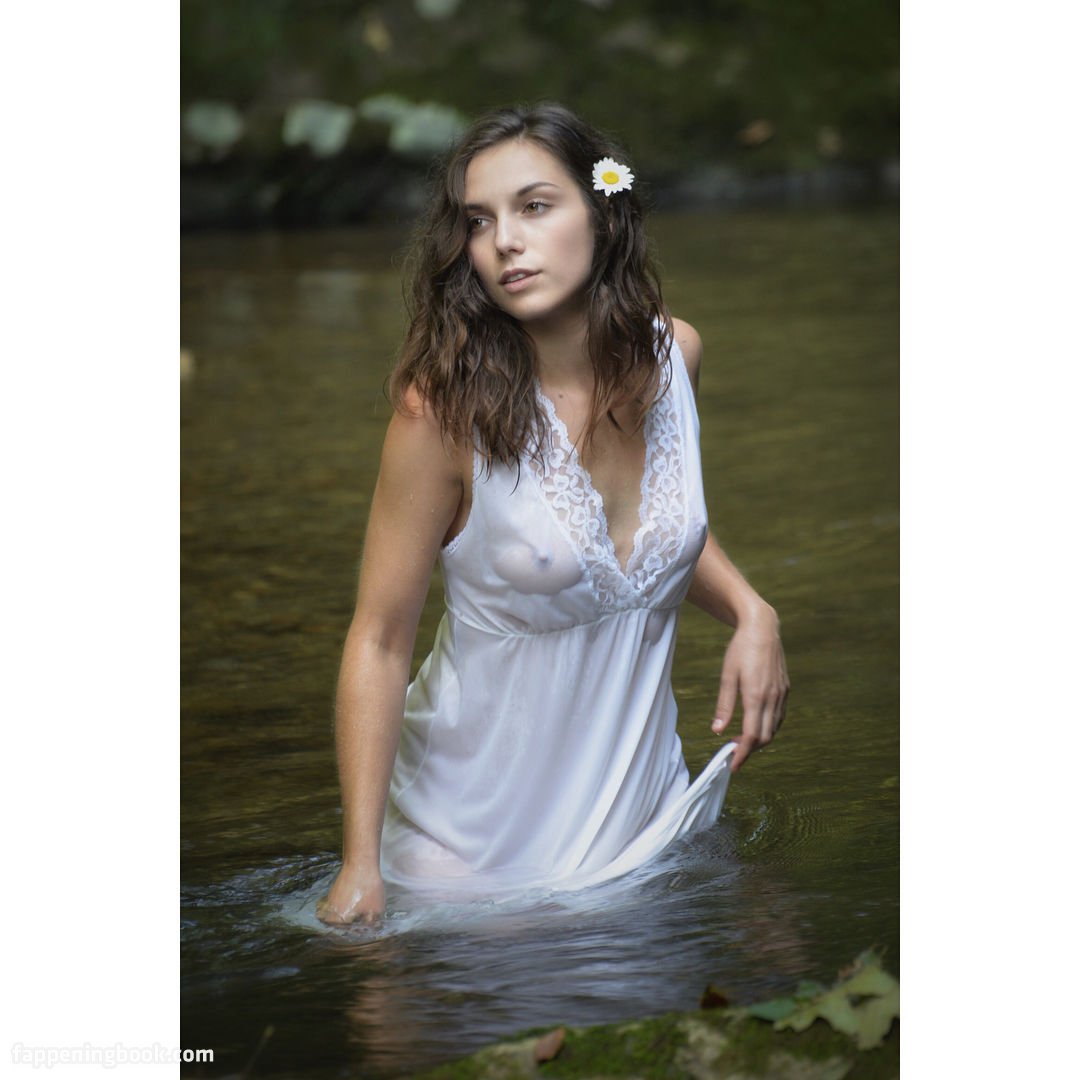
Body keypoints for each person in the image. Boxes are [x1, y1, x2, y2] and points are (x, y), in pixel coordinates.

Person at [316, 104, 789, 926]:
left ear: (603, 214)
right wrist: (360, 867)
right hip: (468, 857)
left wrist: (751, 610)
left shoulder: (674, 357)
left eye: (534, 206)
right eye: (479, 220)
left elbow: (645, 539)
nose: (504, 240)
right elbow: (379, 641)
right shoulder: (442, 415)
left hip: (649, 833)